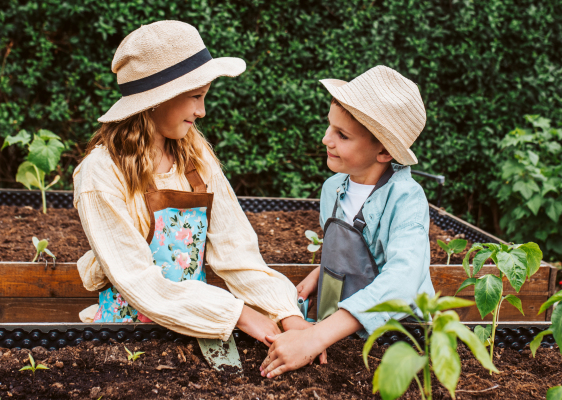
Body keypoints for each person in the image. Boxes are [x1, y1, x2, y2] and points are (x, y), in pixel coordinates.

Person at [73, 20, 313, 345]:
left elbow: (235, 248)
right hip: (128, 340)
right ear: (156, 100)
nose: (202, 111)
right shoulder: (101, 172)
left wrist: (287, 314)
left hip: (199, 327)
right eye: (196, 97)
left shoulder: (193, 155)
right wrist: (238, 314)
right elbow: (137, 279)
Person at [260, 66, 435, 378]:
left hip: (395, 340)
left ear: (383, 150)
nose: (327, 139)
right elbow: (356, 250)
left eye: (342, 135)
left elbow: (403, 279)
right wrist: (323, 269)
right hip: (338, 332)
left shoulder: (407, 199)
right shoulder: (333, 188)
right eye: (330, 127)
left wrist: (315, 337)